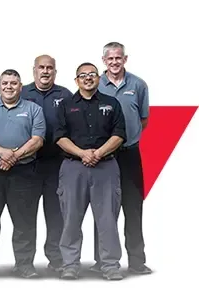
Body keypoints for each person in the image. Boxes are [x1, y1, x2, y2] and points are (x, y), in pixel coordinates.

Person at [53, 62, 126, 281]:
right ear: (76, 80)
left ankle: (110, 265)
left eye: (92, 74)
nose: (87, 78)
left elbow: (119, 134)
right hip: (73, 167)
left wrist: (99, 153)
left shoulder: (111, 103)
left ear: (98, 78)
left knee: (107, 218)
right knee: (71, 218)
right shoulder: (65, 105)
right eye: (82, 75)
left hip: (106, 167)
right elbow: (59, 136)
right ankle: (70, 264)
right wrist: (83, 154)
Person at [0, 69, 46, 279]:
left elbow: (38, 139)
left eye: (14, 83)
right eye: (5, 83)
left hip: (24, 172)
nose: (9, 86)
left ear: (21, 86)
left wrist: (14, 156)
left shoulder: (34, 109)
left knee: (24, 220)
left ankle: (24, 265)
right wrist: (3, 153)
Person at [90, 42, 152, 275]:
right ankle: (101, 260)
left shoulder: (138, 84)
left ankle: (136, 261)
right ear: (103, 60)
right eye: (110, 59)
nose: (114, 62)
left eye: (119, 58)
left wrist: (127, 138)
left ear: (125, 59)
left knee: (133, 207)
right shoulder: (95, 83)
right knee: (103, 209)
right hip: (104, 156)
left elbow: (143, 119)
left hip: (129, 155)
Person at [20, 55, 73, 271]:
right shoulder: (22, 93)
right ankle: (24, 262)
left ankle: (56, 259)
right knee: (25, 214)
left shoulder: (65, 95)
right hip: (27, 165)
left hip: (57, 164)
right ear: (33, 70)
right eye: (41, 67)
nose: (45, 71)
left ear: (55, 72)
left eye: (49, 68)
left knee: (56, 214)